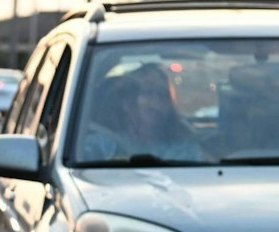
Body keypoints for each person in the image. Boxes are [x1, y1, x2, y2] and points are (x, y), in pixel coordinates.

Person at [79, 62, 207, 162]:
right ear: (127, 103)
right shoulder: (101, 145)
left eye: (162, 96)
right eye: (148, 93)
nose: (156, 103)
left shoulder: (183, 147)